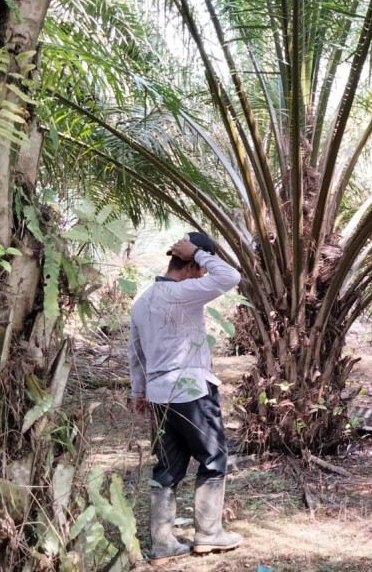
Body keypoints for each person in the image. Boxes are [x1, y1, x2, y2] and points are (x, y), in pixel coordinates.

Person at [128, 232, 244, 565]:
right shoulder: (182, 292)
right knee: (212, 458)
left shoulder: (143, 301)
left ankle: (163, 544)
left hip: (159, 394)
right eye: (201, 267)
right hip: (191, 389)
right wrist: (198, 252)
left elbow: (135, 354)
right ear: (192, 263)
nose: (204, 276)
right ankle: (209, 535)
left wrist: (139, 392)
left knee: (167, 466)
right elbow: (230, 277)